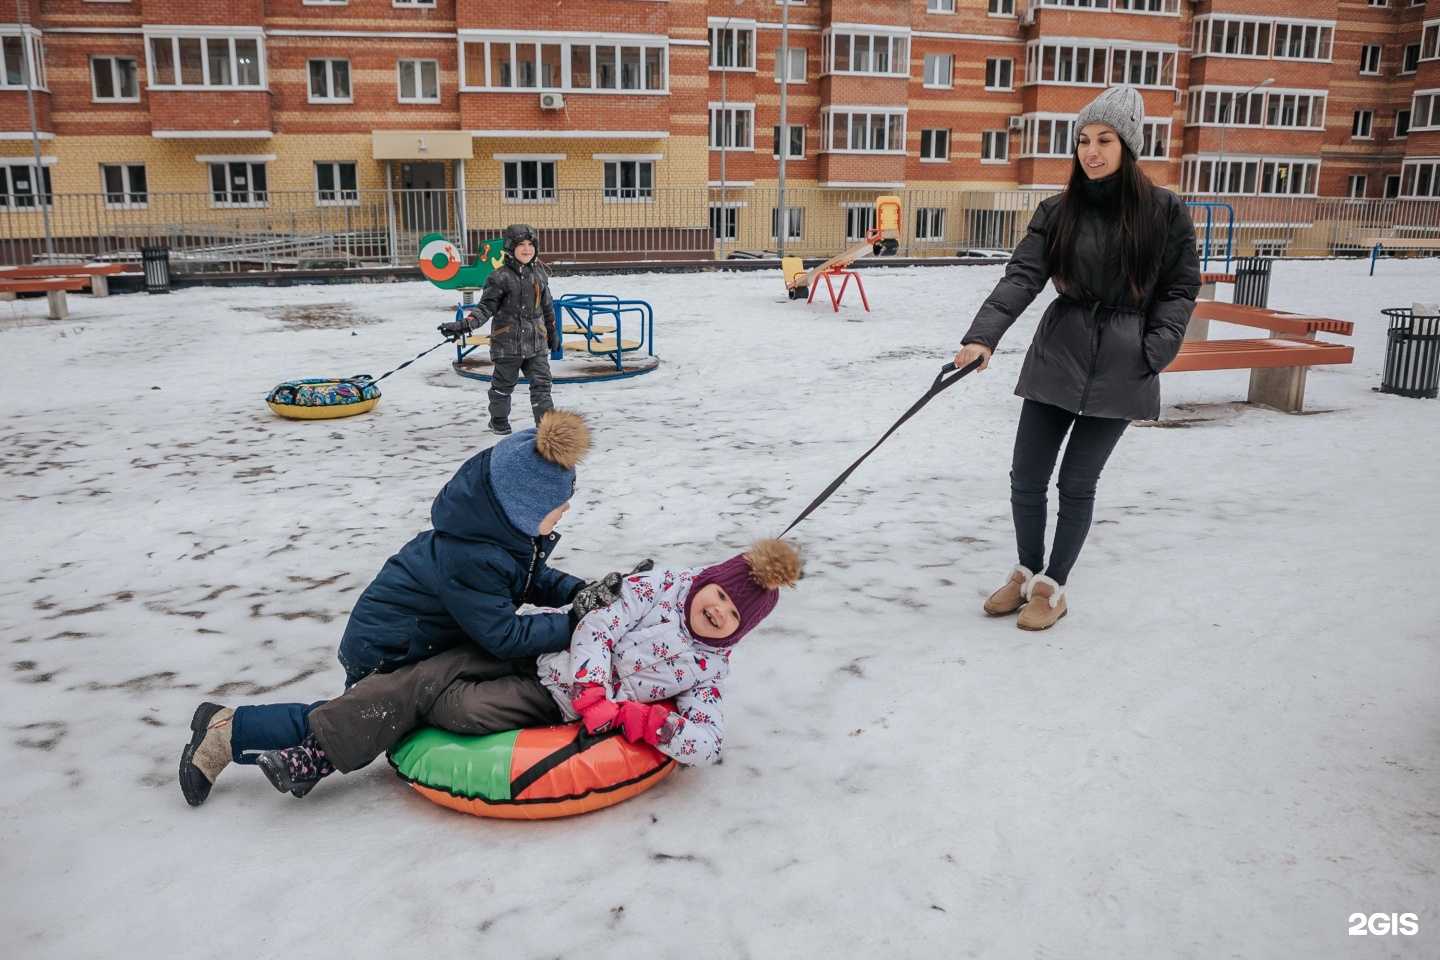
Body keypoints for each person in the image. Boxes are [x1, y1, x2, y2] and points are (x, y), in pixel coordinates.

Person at [177, 410, 644, 806]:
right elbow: (503, 635)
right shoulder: (471, 555)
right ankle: (229, 729)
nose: (564, 513)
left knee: (392, 704)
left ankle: (235, 729)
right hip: (391, 647)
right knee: (380, 711)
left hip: (429, 636)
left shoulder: (498, 537)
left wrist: (577, 590)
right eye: (558, 507)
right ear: (520, 507)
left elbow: (529, 580)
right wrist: (574, 623)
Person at [187, 539, 802, 801]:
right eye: (719, 595)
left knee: (454, 707)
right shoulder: (665, 587)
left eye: (730, 615)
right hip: (538, 651)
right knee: (420, 681)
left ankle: (246, 732)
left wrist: (640, 719)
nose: (716, 610)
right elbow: (599, 624)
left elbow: (708, 741)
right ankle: (299, 751)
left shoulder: (709, 671)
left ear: (741, 630)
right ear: (711, 580)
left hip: (548, 698)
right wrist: (593, 686)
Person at [954, 85, 1200, 631]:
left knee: (1076, 485)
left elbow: (1181, 288)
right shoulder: (1057, 210)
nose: (1091, 151)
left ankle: (1053, 584)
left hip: (1124, 364)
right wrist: (983, 337)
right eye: (1084, 140)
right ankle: (1025, 570)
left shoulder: (1165, 212)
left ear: (1128, 145)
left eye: (1104, 139)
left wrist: (1154, 348)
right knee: (1026, 476)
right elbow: (1021, 277)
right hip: (1058, 355)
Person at [439, 223, 559, 436]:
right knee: (502, 387)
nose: (527, 249)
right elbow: (485, 308)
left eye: (530, 245)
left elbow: (547, 307)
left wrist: (552, 332)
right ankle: (499, 420)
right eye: (521, 244)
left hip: (536, 343)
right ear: (510, 248)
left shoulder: (539, 275)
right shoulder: (499, 277)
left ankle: (546, 428)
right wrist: (465, 325)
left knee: (542, 386)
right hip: (508, 345)